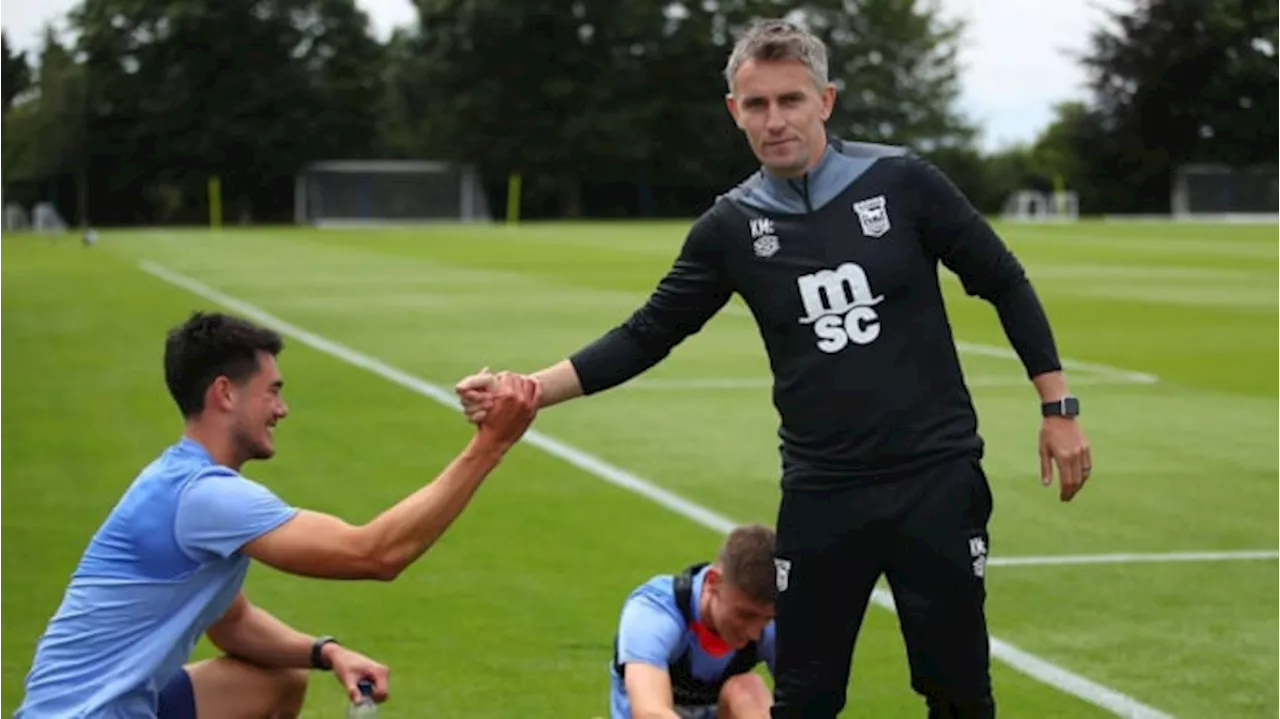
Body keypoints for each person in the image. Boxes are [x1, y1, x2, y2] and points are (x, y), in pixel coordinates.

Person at [456, 17, 1094, 719]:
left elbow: (1002, 278)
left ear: (826, 100)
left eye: (791, 100)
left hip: (934, 479)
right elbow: (646, 333)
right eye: (756, 104)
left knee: (959, 691)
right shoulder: (730, 226)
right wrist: (528, 390)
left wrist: (1057, 407)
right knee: (805, 698)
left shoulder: (903, 182)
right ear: (735, 111)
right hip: (823, 494)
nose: (775, 120)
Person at [16, 310, 541, 718]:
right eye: (273, 391)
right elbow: (376, 553)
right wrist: (489, 447)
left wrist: (327, 652)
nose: (282, 409)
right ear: (225, 393)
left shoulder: (184, 483)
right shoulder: (203, 496)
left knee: (279, 678)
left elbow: (233, 623)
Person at [610, 524, 777, 719]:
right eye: (745, 615)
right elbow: (649, 712)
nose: (754, 633)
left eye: (767, 618)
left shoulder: (771, 628)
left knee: (748, 689)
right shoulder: (653, 612)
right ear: (713, 582)